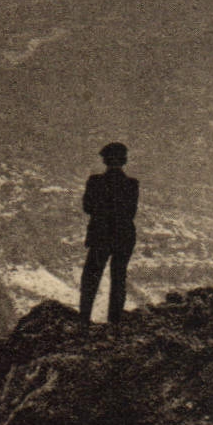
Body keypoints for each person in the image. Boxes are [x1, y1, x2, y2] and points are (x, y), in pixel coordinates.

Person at [79, 142, 138, 332]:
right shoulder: (131, 184)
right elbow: (131, 212)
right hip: (124, 235)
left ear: (104, 160)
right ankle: (115, 321)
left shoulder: (95, 181)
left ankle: (84, 319)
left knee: (91, 276)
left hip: (100, 235)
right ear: (124, 160)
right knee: (118, 277)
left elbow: (87, 207)